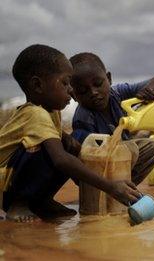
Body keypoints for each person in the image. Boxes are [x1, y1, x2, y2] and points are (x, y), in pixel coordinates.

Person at [0, 44, 142, 222]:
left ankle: (41, 201)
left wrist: (74, 145)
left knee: (69, 145)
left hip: (13, 177)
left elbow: (63, 144)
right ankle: (18, 203)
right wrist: (111, 187)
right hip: (5, 184)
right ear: (38, 85)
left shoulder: (51, 111)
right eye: (65, 83)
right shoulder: (35, 114)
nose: (71, 90)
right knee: (49, 153)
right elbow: (61, 161)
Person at [69, 52, 154, 185]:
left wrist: (149, 89)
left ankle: (126, 187)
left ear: (109, 78)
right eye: (83, 91)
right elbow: (88, 157)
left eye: (98, 84)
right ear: (74, 96)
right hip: (98, 169)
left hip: (121, 156)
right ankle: (112, 190)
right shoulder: (84, 118)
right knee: (131, 148)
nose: (93, 92)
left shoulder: (117, 93)